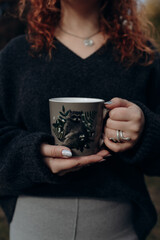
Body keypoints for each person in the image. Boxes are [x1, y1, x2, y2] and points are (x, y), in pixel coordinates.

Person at [0, 0, 160, 239]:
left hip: (118, 227)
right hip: (33, 223)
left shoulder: (143, 57)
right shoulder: (17, 54)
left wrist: (146, 131)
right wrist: (31, 154)